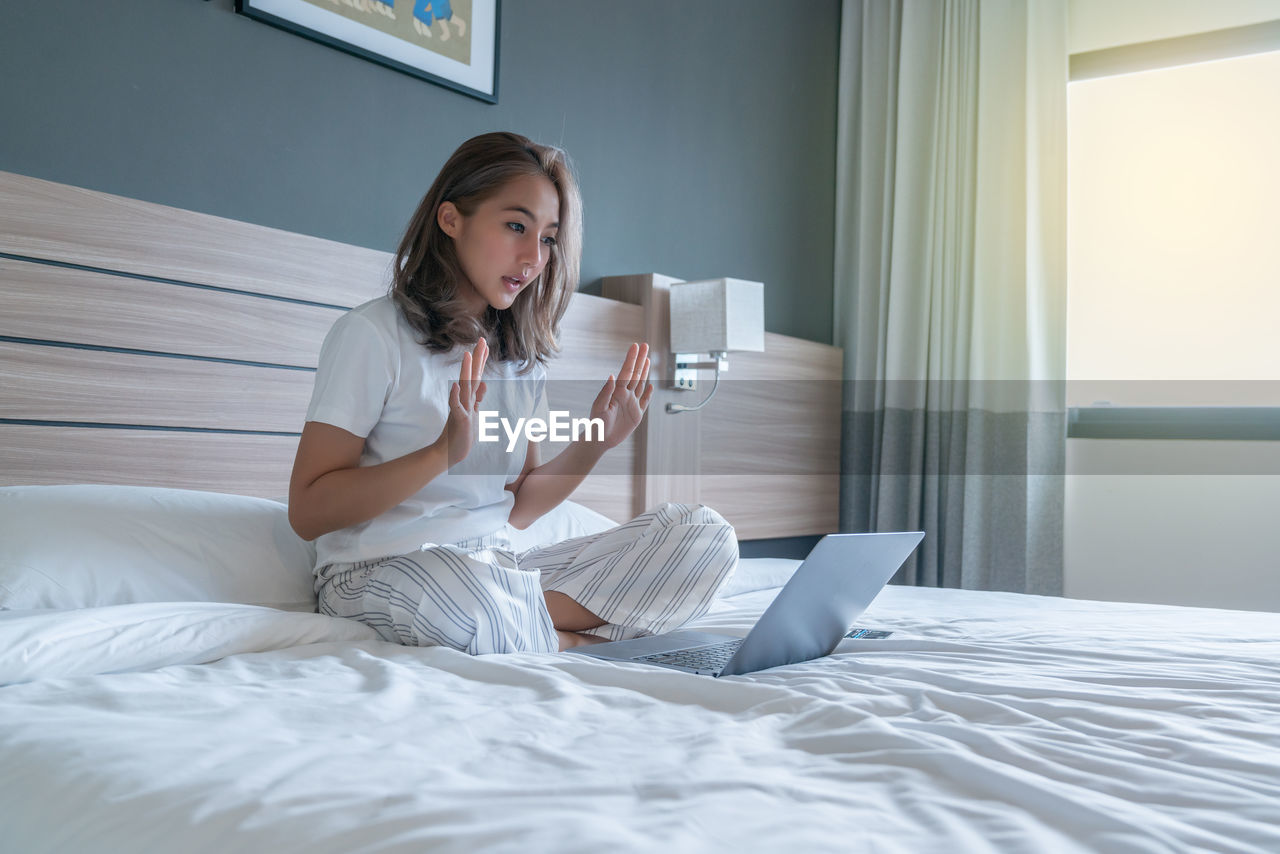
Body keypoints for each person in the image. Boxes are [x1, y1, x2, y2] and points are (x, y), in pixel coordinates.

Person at [288, 131, 738, 655]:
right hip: (377, 571)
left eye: (548, 237)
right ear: (451, 219)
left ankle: (534, 627)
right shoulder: (372, 335)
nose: (533, 256)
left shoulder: (518, 361)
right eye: (515, 226)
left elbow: (516, 507)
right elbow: (307, 511)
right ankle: (579, 640)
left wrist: (595, 441)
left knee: (704, 538)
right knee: (467, 596)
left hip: (497, 566)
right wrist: (441, 455)